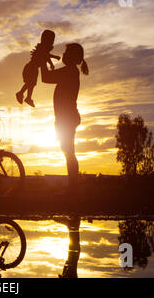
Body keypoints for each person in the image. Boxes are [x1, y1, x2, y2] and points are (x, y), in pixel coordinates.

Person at [40, 43, 89, 197]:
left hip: (66, 118)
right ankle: (72, 188)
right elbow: (48, 76)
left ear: (73, 56)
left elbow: (46, 77)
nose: (64, 54)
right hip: (66, 117)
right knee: (68, 152)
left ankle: (72, 190)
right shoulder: (71, 71)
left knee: (69, 152)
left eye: (67, 52)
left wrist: (42, 60)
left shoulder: (69, 71)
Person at [16, 30, 60, 107]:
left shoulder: (43, 49)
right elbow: (46, 55)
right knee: (30, 83)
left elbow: (45, 56)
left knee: (31, 83)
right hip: (31, 67)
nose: (52, 42)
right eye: (52, 40)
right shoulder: (42, 48)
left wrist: (51, 63)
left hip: (33, 68)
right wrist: (54, 58)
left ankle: (27, 97)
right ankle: (23, 95)